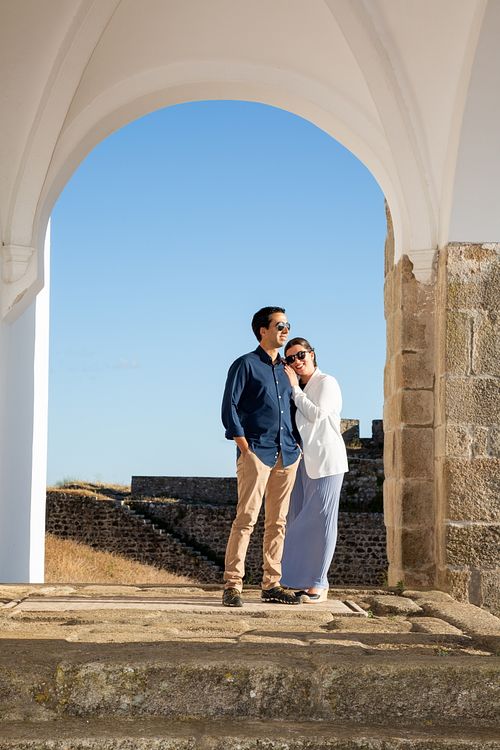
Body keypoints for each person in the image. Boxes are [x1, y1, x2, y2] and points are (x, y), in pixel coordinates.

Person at [221, 306, 302, 607]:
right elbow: (229, 406)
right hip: (256, 452)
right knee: (246, 519)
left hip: (287, 454)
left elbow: (295, 410)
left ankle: (272, 584)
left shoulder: (287, 370)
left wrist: (297, 446)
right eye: (280, 325)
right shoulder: (245, 365)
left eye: (287, 325)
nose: (285, 330)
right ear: (262, 330)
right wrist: (245, 448)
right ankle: (233, 585)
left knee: (278, 522)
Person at [281, 337, 348, 603]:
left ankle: (318, 584)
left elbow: (318, 415)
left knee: (322, 522)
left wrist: (294, 389)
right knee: (297, 522)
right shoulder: (301, 387)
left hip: (327, 462)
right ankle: (302, 581)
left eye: (301, 355)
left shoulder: (326, 382)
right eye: (291, 359)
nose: (297, 361)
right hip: (303, 464)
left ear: (312, 354)